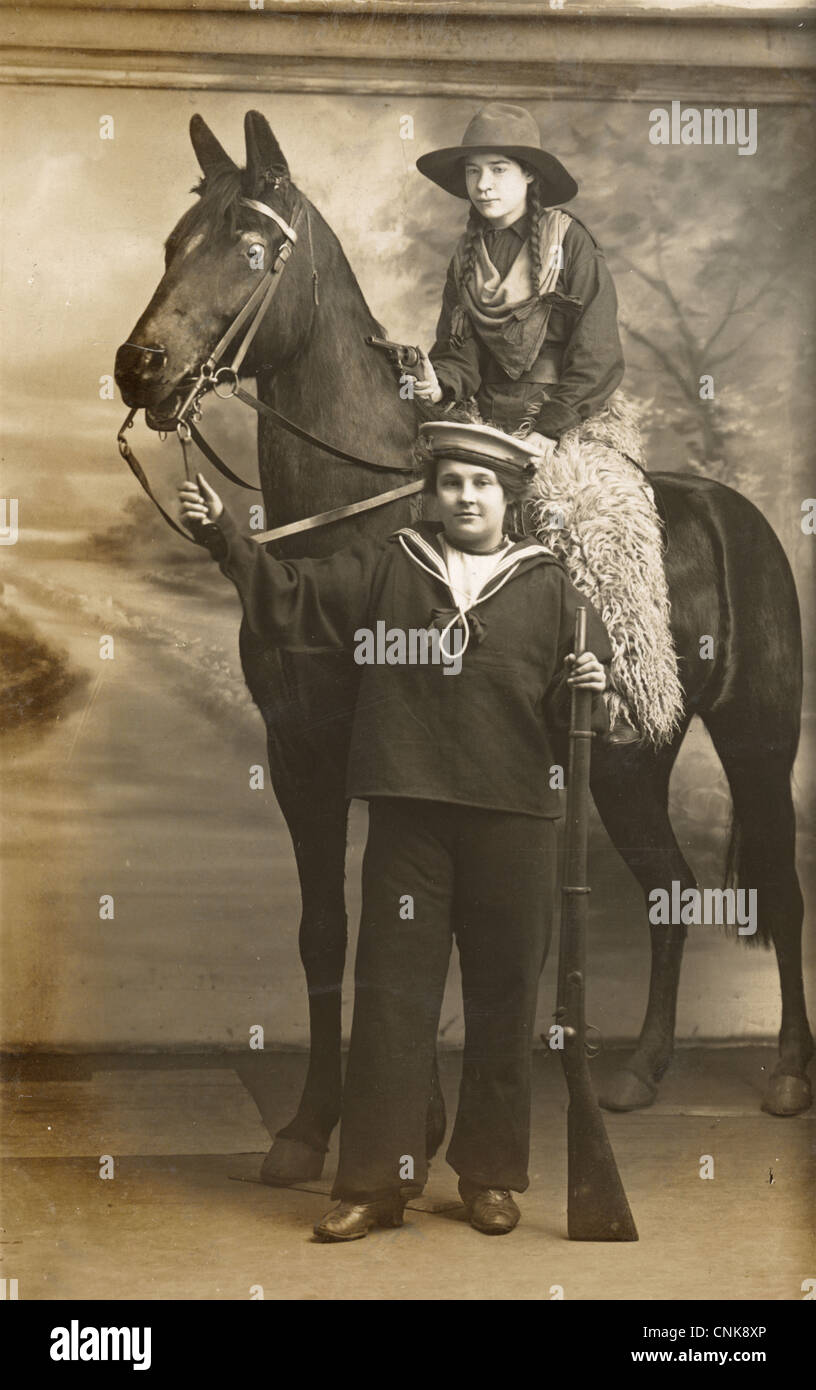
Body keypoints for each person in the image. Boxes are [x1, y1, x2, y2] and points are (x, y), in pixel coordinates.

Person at [179, 420, 612, 1240]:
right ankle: (375, 1184)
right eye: (451, 482)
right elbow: (289, 601)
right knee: (390, 998)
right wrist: (226, 536)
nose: (465, 497)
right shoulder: (389, 564)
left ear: (509, 498)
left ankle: (488, 1178)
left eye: (482, 485)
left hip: (516, 820)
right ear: (431, 491)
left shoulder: (553, 588)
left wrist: (587, 685)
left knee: (503, 999)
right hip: (409, 815)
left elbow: (569, 727)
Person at [407, 103, 684, 749]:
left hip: (574, 413)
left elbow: (597, 353)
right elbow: (458, 355)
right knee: (422, 500)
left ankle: (621, 690)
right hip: (487, 416)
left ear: (529, 176)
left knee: (592, 516)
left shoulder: (570, 242)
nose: (483, 184)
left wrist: (551, 429)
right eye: (474, 171)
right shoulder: (466, 255)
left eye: (499, 169)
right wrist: (436, 381)